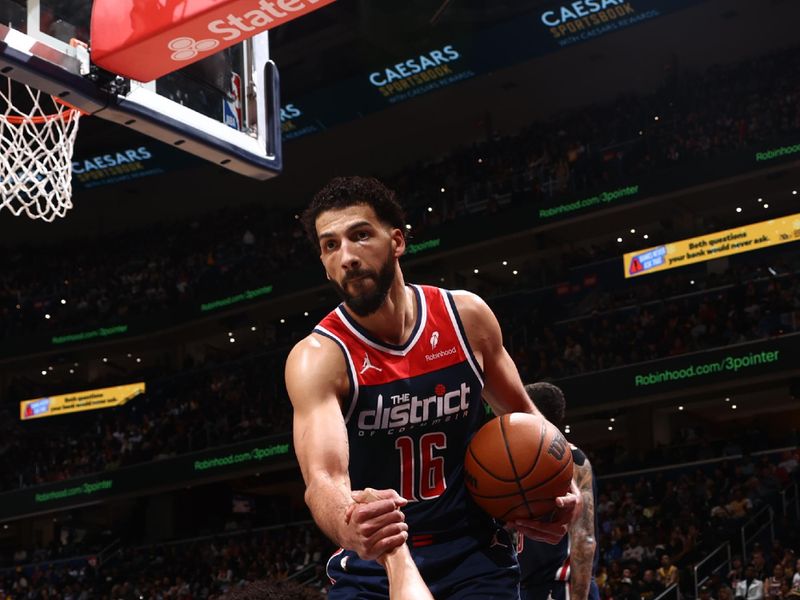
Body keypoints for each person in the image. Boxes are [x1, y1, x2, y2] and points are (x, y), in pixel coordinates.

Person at [285, 176, 580, 599]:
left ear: (398, 242)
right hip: (379, 558)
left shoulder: (467, 317)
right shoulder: (318, 357)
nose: (346, 256)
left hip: (474, 552)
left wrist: (564, 487)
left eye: (361, 235)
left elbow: (527, 418)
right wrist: (349, 521)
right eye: (331, 245)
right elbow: (323, 478)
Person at [517, 382, 598, 600]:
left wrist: (579, 596)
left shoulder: (573, 459)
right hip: (525, 586)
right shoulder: (515, 459)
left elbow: (584, 537)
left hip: (561, 585)